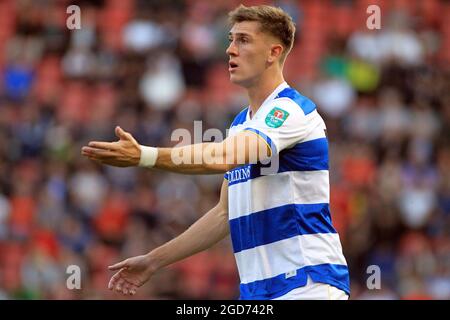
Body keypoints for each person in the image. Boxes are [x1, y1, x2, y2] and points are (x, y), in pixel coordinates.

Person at [81, 4, 350, 300]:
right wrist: (154, 260)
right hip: (259, 292)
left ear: (273, 52)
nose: (230, 50)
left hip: (307, 283)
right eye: (231, 39)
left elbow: (224, 157)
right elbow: (225, 213)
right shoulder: (241, 125)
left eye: (243, 40)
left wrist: (145, 156)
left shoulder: (290, 111)